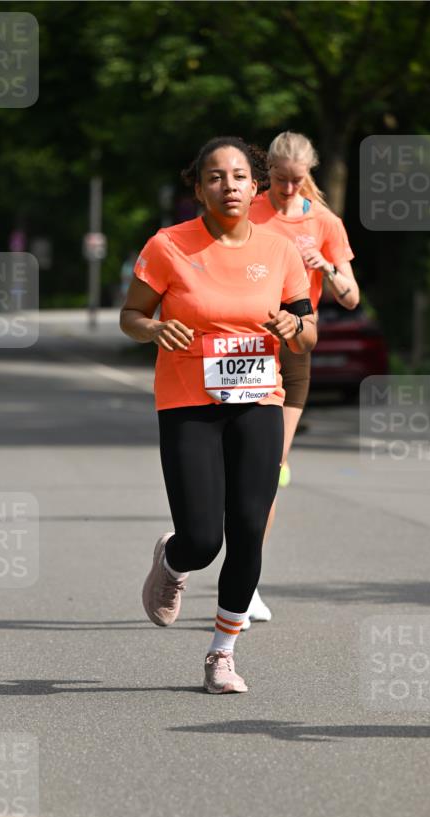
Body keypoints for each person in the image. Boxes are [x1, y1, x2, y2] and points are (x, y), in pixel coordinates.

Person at [120, 136, 316, 694]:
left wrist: (293, 329)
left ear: (255, 186)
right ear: (199, 188)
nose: (227, 186)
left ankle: (221, 653)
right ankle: (174, 561)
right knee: (204, 538)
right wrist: (155, 328)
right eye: (214, 177)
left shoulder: (280, 251)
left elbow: (309, 331)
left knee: (249, 530)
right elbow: (131, 315)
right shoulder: (168, 246)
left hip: (259, 401)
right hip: (188, 402)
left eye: (237, 176)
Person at [244, 131, 360, 626]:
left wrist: (327, 266)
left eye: (297, 181)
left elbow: (351, 297)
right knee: (235, 469)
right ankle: (197, 536)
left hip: (293, 349)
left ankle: (244, 584)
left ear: (308, 174)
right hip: (243, 345)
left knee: (267, 469)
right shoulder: (247, 209)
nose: (288, 189)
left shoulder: (324, 222)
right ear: (267, 171)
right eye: (279, 180)